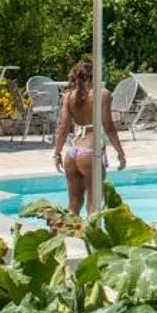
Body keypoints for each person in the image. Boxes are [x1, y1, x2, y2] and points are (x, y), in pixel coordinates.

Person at [53, 59, 126, 216]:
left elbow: (63, 128)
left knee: (73, 207)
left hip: (72, 153)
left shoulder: (68, 97)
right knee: (94, 208)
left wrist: (57, 153)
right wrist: (120, 152)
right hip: (90, 153)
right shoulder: (103, 95)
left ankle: (69, 240)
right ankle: (90, 241)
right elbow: (109, 126)